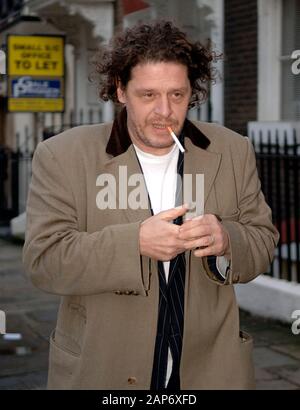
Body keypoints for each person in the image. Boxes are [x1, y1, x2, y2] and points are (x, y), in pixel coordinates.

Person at [23, 20, 279, 390]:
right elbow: (43, 260)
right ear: (120, 90)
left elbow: (263, 243)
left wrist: (227, 239)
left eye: (177, 95)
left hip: (211, 370)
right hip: (102, 369)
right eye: (148, 95)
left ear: (192, 91)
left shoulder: (233, 150)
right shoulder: (62, 155)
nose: (165, 111)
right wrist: (135, 243)